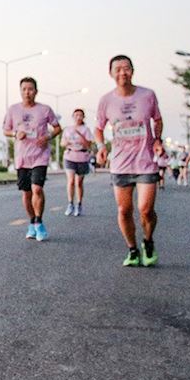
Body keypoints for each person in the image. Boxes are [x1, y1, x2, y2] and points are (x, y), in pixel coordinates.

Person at [94, 55, 164, 268]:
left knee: (145, 209)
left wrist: (158, 139)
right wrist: (101, 147)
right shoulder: (106, 100)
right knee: (124, 210)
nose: (122, 72)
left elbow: (157, 120)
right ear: (111, 74)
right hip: (120, 163)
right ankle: (133, 250)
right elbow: (98, 128)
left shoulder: (147, 95)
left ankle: (148, 241)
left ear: (132, 71)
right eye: (118, 69)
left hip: (145, 160)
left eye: (126, 68)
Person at [2, 77, 62, 240]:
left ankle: (39, 222)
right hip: (22, 157)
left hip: (39, 156)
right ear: (20, 91)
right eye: (24, 89)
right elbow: (6, 130)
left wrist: (48, 136)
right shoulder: (13, 109)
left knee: (37, 188)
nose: (27, 92)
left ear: (36, 91)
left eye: (30, 89)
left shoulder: (45, 110)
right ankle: (32, 222)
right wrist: (15, 133)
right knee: (27, 193)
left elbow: (57, 128)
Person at [62, 108, 94, 216]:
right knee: (70, 181)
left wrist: (80, 135)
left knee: (79, 183)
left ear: (83, 117)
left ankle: (79, 204)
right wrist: (66, 142)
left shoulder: (86, 129)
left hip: (82, 157)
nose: (78, 117)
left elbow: (88, 145)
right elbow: (62, 143)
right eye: (76, 115)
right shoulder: (67, 129)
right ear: (73, 117)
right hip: (70, 156)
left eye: (80, 115)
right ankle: (70, 203)